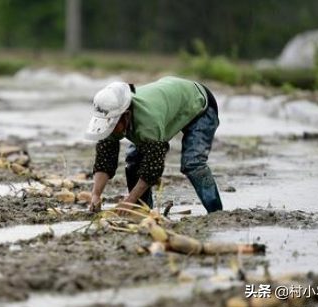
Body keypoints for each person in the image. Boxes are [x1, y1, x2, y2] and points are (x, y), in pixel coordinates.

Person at [84, 76, 223, 214]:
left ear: (126, 115)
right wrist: (96, 195)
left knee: (193, 163)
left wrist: (129, 201)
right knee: (133, 161)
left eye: (113, 125)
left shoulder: (148, 123)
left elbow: (152, 169)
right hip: (169, 100)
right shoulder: (113, 117)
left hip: (199, 102)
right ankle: (143, 211)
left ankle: (216, 212)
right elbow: (104, 159)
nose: (110, 129)